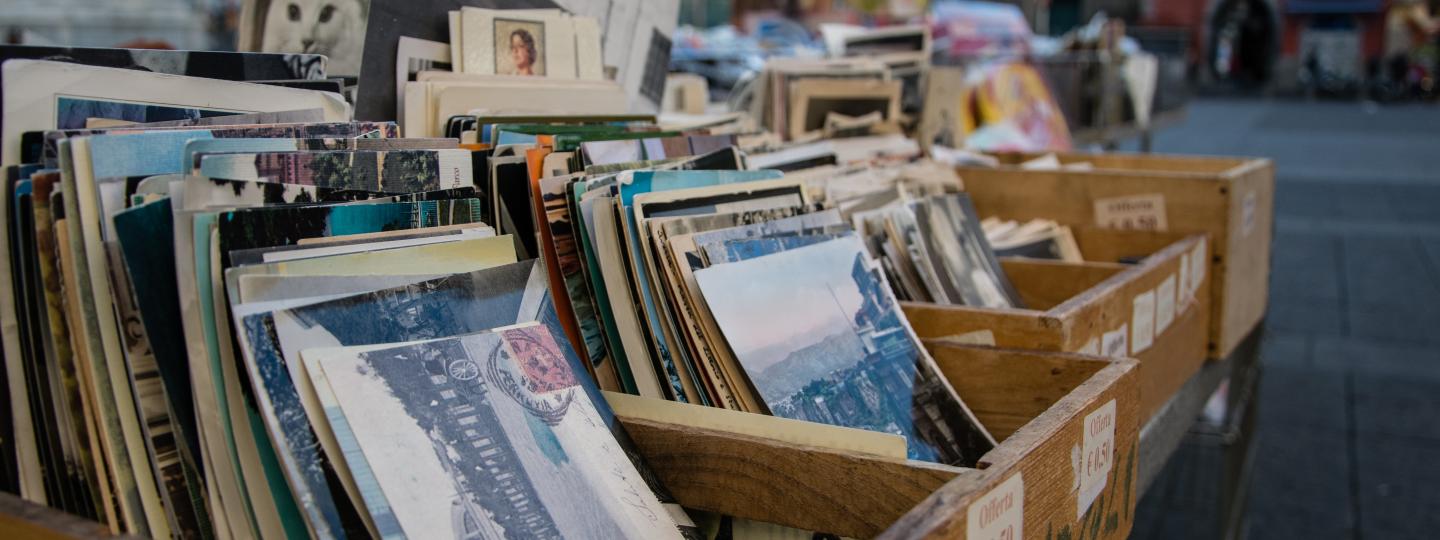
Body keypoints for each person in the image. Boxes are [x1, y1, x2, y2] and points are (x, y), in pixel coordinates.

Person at [1384, 0, 1439, 89]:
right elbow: (1427, 27)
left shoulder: (1397, 11)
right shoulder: (1413, 9)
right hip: (1404, 54)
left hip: (1400, 54)